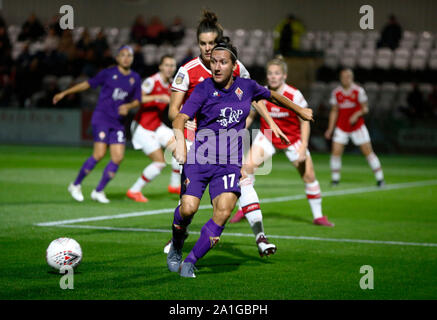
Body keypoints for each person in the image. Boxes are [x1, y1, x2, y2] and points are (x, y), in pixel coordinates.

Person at [167, 39, 313, 278]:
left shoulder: (246, 86)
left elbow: (273, 96)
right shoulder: (203, 88)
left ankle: (190, 261)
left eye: (223, 62)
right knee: (188, 210)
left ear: (233, 65)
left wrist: (300, 111)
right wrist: (181, 144)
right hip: (200, 160)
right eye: (213, 62)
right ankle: (176, 244)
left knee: (223, 212)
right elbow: (179, 118)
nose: (216, 66)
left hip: (228, 164)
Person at [164, 9, 276, 256]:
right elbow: (173, 111)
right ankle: (178, 239)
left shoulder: (235, 67)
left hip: (229, 139)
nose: (207, 48)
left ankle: (260, 236)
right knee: (189, 204)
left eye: (212, 43)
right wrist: (186, 121)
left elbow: (253, 97)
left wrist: (256, 120)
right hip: (197, 139)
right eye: (202, 43)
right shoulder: (188, 70)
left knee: (243, 179)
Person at [229, 57, 334, 227]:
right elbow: (251, 116)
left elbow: (304, 120)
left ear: (284, 75)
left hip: (292, 139)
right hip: (268, 136)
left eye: (277, 73)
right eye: (270, 73)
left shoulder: (294, 94)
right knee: (246, 169)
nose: (273, 76)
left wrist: (303, 147)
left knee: (309, 176)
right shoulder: (261, 92)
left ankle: (318, 216)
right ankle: (244, 208)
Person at [53, 45, 141, 203]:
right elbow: (87, 84)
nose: (126, 58)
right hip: (102, 118)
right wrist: (65, 93)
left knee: (118, 157)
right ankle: (75, 184)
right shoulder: (108, 73)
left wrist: (128, 106)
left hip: (118, 122)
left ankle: (98, 191)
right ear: (117, 58)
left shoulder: (135, 78)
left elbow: (137, 100)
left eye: (129, 55)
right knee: (99, 154)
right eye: (123, 55)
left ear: (133, 58)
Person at [127, 55, 181, 202]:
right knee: (159, 162)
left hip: (156, 125)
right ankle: (134, 190)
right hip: (142, 128)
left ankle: (174, 185)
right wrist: (157, 97)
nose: (170, 68)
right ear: (160, 67)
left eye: (172, 66)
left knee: (179, 147)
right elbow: (136, 99)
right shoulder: (152, 82)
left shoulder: (171, 84)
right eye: (167, 65)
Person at [324, 68, 385, 187]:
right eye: (343, 77)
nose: (345, 79)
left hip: (357, 127)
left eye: (348, 76)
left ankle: (380, 178)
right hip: (341, 127)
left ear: (352, 78)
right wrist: (330, 129)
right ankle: (335, 180)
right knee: (335, 152)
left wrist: (356, 114)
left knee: (368, 152)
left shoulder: (358, 91)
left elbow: (365, 108)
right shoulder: (336, 92)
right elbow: (334, 111)